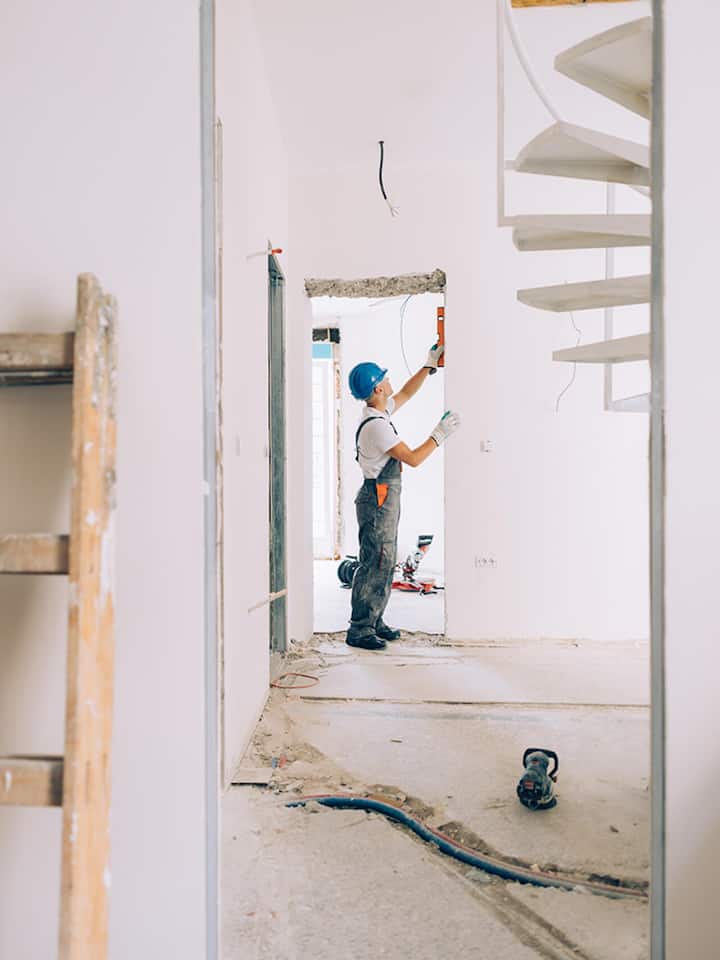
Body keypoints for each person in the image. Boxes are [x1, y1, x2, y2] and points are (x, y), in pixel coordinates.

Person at [345, 343, 460, 650]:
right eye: (385, 378)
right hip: (377, 499)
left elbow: (407, 393)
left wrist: (429, 365)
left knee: (384, 561)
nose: (390, 380)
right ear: (379, 389)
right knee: (375, 562)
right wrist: (439, 435)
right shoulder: (377, 427)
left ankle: (374, 618)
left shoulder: (376, 411)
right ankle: (360, 628)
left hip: (382, 498)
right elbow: (412, 458)